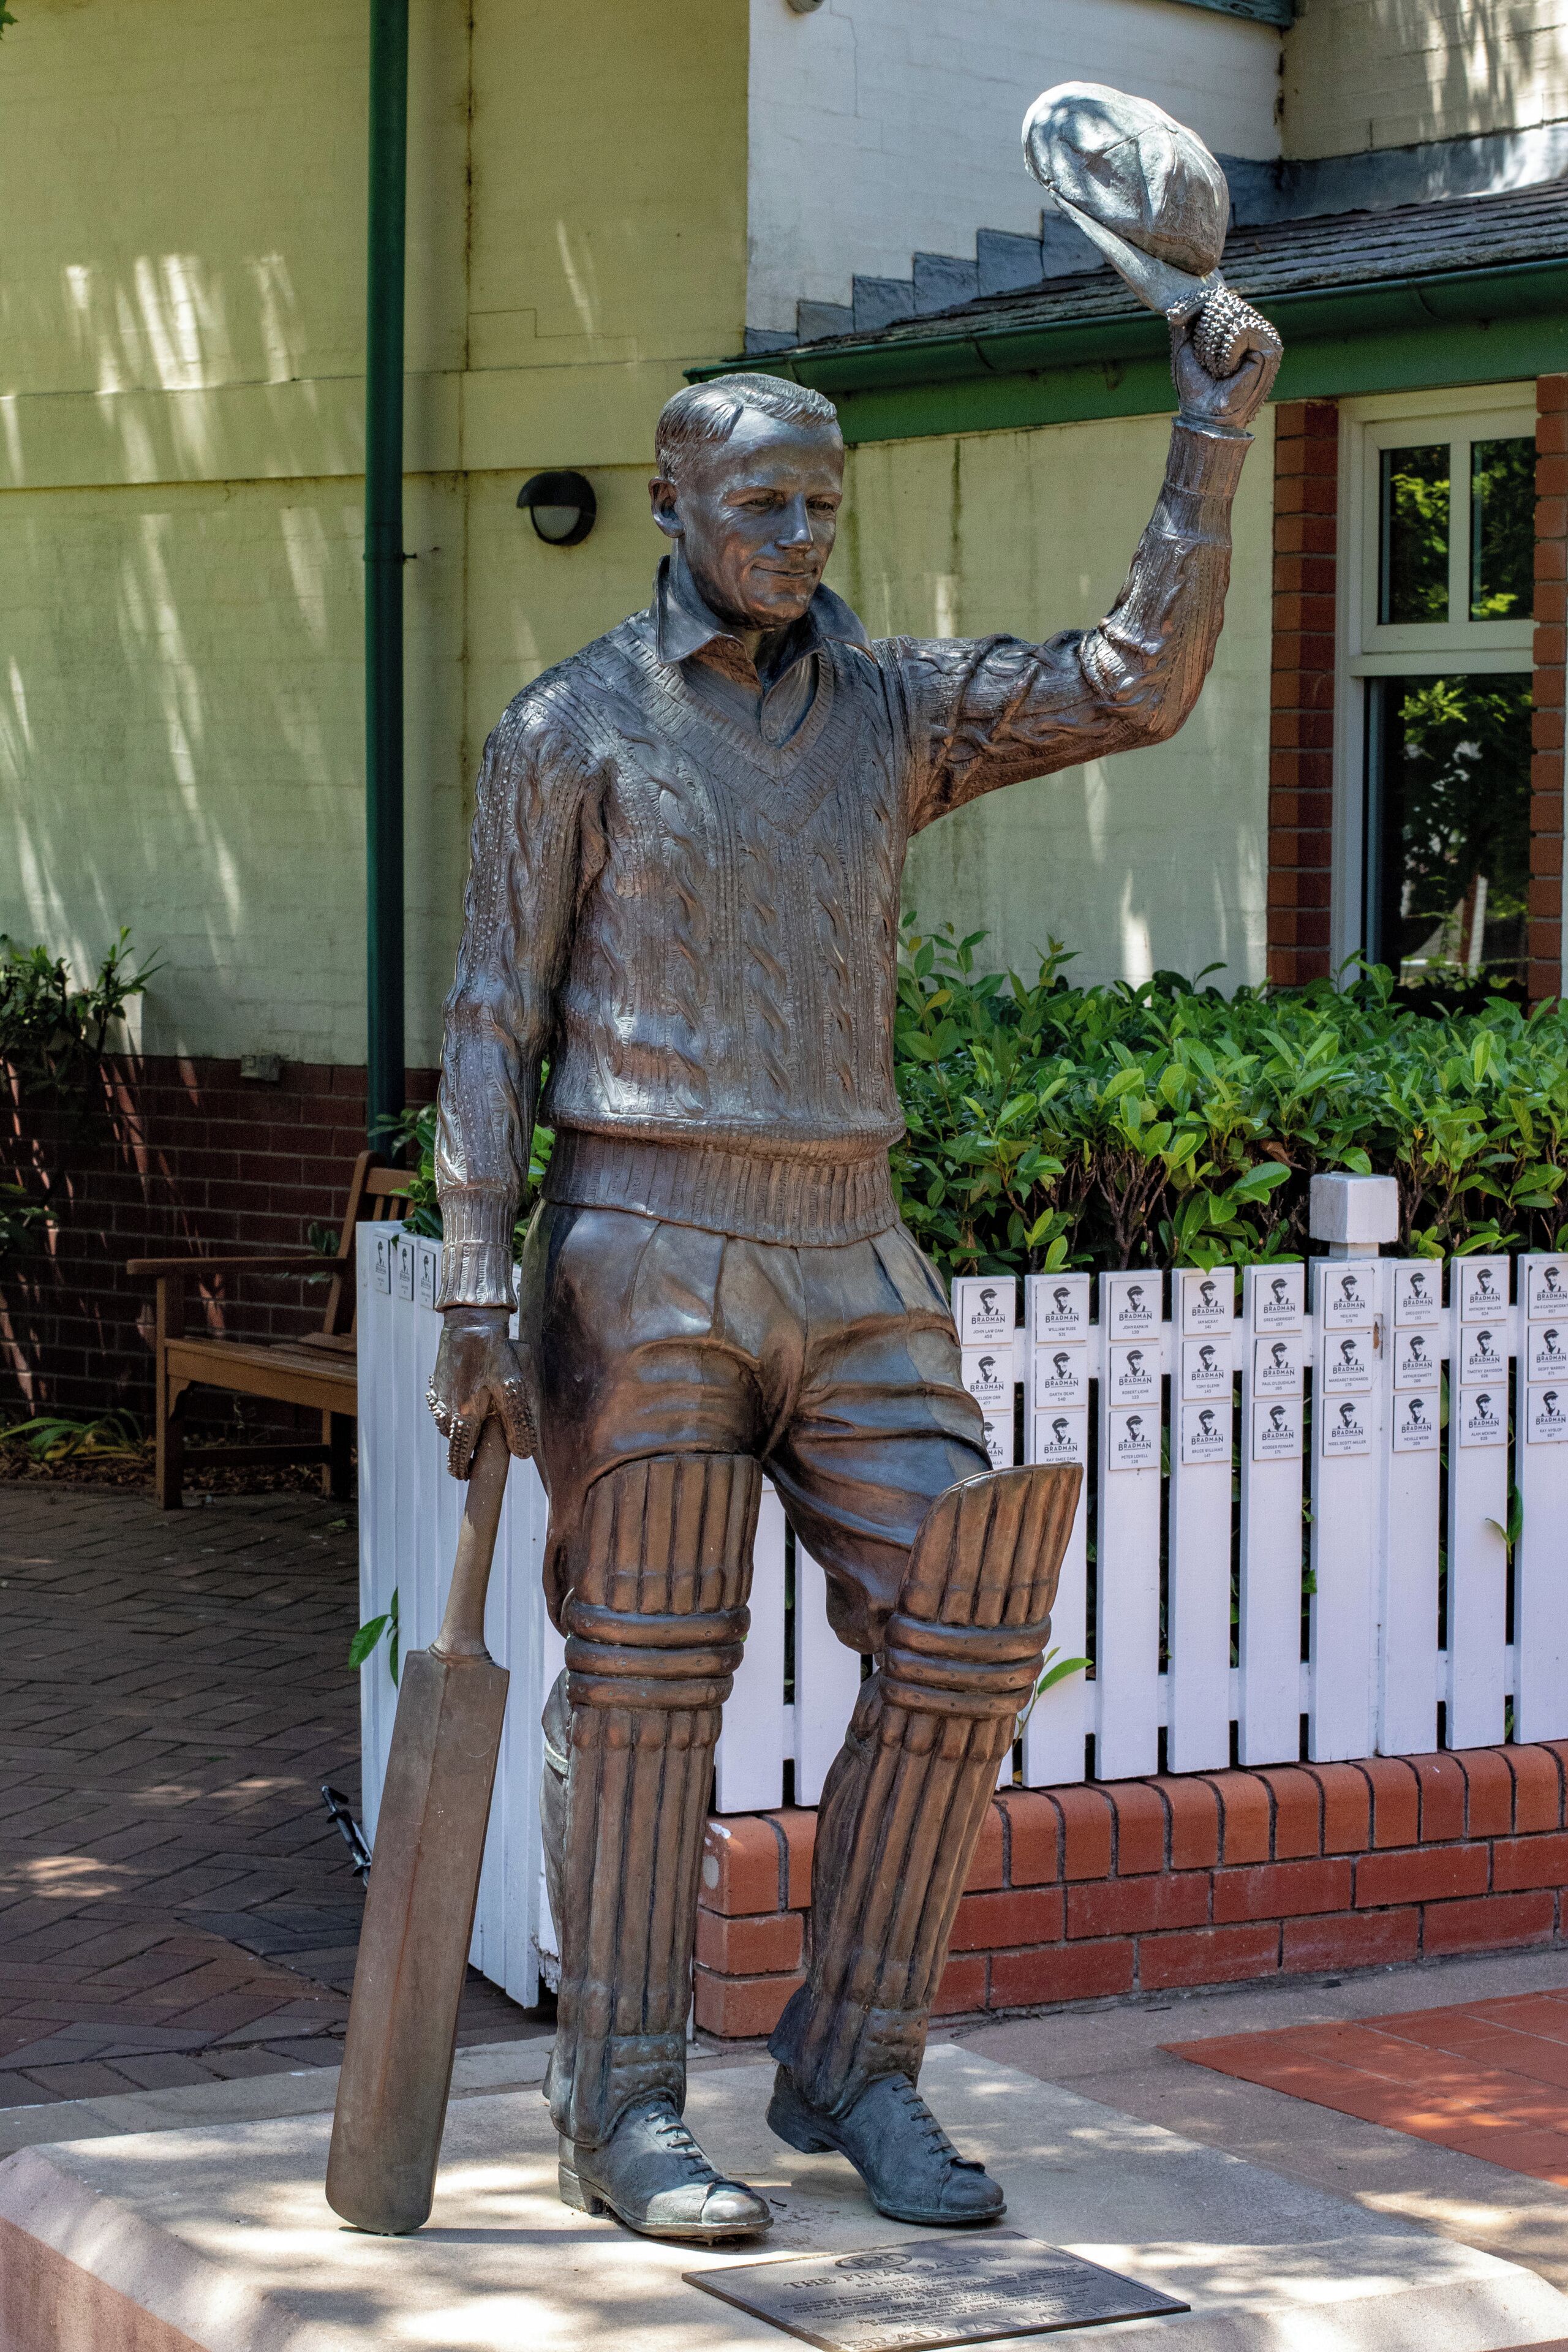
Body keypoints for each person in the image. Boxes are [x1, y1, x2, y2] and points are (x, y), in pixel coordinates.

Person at [426, 315, 1278, 2244]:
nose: (801, 535)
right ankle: (623, 2103)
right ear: (671, 502)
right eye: (763, 504)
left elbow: (1134, 683)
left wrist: (1211, 438)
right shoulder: (569, 729)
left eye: (824, 504)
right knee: (649, 1676)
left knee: (965, 1620)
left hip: (855, 1238)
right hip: (640, 1242)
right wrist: (476, 1287)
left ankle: (854, 2062)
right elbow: (488, 1013)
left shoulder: (894, 707)